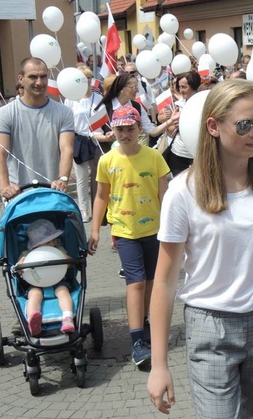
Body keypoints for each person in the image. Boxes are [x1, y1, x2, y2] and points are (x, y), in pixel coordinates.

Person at [147, 79, 253, 417]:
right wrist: (159, 364)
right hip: (209, 327)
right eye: (245, 124)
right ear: (213, 127)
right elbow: (165, 282)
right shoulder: (182, 192)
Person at [87, 105, 170, 367]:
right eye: (119, 129)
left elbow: (164, 195)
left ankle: (144, 321)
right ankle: (136, 341)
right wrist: (95, 231)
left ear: (139, 129)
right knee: (135, 281)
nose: (125, 134)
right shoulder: (107, 160)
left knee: (150, 280)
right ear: (113, 131)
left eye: (130, 129)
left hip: (154, 230)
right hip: (124, 230)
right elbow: (101, 196)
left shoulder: (154, 157)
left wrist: (172, 228)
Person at [0, 57, 74, 199]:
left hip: (52, 192)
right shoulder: (6, 113)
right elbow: (0, 153)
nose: (39, 82)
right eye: (33, 77)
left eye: (43, 76)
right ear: (21, 79)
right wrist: (5, 186)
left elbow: (66, 149)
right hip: (18, 194)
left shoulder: (63, 112)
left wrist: (63, 179)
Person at [63, 65, 107, 222]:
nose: (86, 81)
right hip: (80, 140)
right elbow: (67, 122)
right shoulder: (71, 99)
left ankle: (99, 209)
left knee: (98, 177)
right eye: (83, 78)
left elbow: (104, 117)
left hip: (96, 141)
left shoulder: (98, 97)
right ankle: (83, 209)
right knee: (81, 179)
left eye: (88, 77)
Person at [17, 219, 76, 336]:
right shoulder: (27, 254)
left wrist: (63, 257)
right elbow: (18, 269)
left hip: (58, 281)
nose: (53, 244)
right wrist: (20, 266)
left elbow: (70, 263)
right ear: (36, 245)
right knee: (34, 295)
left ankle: (67, 318)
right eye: (48, 242)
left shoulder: (59, 251)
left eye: (53, 241)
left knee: (63, 292)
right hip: (36, 282)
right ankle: (33, 319)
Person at [94, 72, 175, 149]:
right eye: (134, 87)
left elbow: (152, 131)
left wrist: (171, 120)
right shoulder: (104, 107)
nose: (137, 90)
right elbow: (93, 133)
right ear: (122, 89)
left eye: (137, 87)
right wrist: (106, 138)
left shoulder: (137, 106)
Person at [155, 70, 199, 177]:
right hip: (179, 153)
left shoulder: (203, 103)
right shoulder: (177, 105)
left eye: (184, 87)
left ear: (193, 86)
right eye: (179, 87)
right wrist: (170, 119)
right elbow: (165, 125)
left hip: (198, 154)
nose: (181, 90)